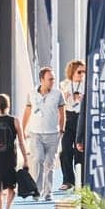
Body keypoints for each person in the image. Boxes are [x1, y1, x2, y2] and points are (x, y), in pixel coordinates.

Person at [22, 67, 65, 200]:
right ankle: (37, 190)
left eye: (53, 79)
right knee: (37, 160)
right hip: (36, 134)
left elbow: (62, 114)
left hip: (53, 133)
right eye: (50, 79)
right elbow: (27, 111)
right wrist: (23, 129)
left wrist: (62, 129)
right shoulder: (31, 94)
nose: (52, 81)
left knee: (49, 164)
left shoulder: (58, 94)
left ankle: (48, 192)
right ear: (42, 80)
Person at [58, 59, 85, 192]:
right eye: (79, 72)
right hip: (69, 117)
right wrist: (65, 95)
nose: (82, 75)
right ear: (72, 72)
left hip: (81, 118)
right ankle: (68, 180)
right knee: (65, 150)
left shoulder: (87, 84)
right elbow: (60, 101)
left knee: (80, 149)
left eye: (84, 72)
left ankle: (81, 180)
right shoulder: (64, 85)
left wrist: (82, 98)